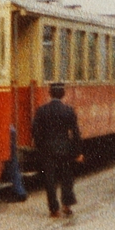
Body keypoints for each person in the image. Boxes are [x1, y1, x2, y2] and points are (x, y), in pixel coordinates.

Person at [32, 82, 83, 218]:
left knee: (49, 179)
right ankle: (66, 205)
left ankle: (54, 209)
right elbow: (76, 133)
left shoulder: (41, 110)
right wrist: (77, 152)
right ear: (63, 94)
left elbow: (35, 131)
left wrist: (40, 146)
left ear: (50, 94)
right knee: (66, 177)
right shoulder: (69, 110)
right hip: (65, 149)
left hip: (47, 150)